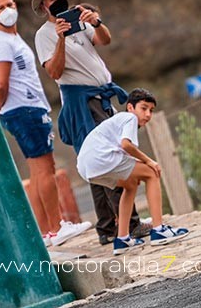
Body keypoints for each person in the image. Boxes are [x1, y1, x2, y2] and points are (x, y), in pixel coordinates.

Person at [32, 0, 148, 246]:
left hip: (100, 97)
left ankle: (107, 227)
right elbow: (54, 72)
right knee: (108, 159)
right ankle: (129, 224)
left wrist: (95, 21)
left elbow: (104, 39)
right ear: (44, 5)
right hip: (82, 103)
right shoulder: (45, 35)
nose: (58, 0)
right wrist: (60, 38)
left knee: (95, 162)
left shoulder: (79, 22)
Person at [0, 0, 86, 247]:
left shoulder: (12, 38)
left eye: (10, 4)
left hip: (29, 108)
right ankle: (57, 225)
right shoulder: (0, 43)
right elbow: (1, 84)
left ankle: (49, 231)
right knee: (45, 169)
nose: (8, 10)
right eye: (1, 7)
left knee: (41, 170)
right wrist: (1, 107)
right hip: (23, 110)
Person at [75, 88, 188, 255]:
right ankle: (159, 230)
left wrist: (140, 164)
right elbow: (126, 145)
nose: (148, 114)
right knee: (151, 173)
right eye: (143, 108)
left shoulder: (118, 121)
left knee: (131, 184)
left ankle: (122, 239)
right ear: (130, 107)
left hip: (87, 168)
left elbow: (124, 152)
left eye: (151, 110)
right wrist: (149, 161)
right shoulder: (129, 118)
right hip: (101, 159)